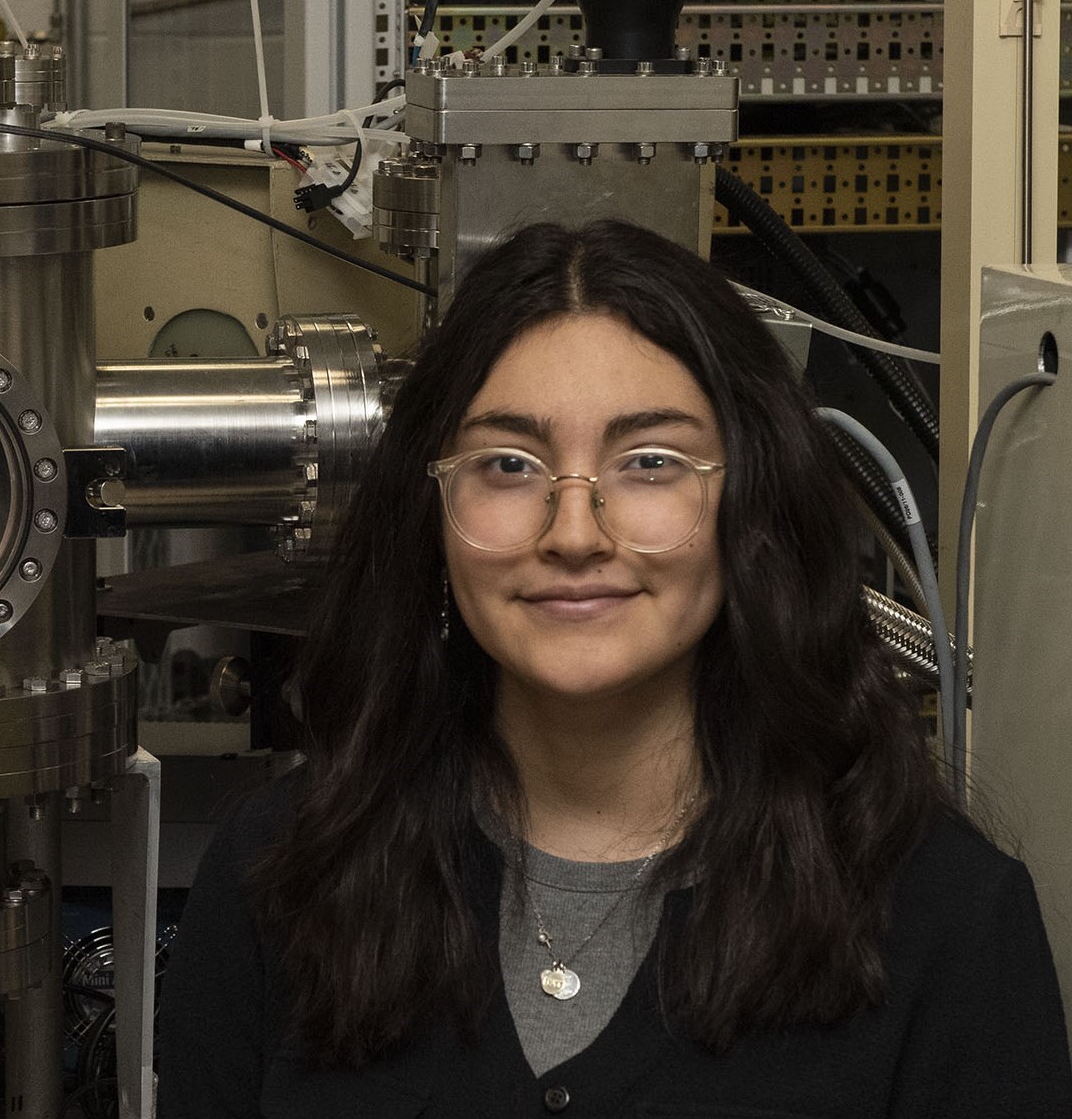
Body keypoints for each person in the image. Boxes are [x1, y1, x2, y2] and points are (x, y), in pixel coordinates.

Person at [158, 219, 1071, 1117]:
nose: (573, 534)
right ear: (430, 510)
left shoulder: (946, 921)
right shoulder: (279, 876)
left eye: (649, 463)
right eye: (510, 464)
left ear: (748, 505)